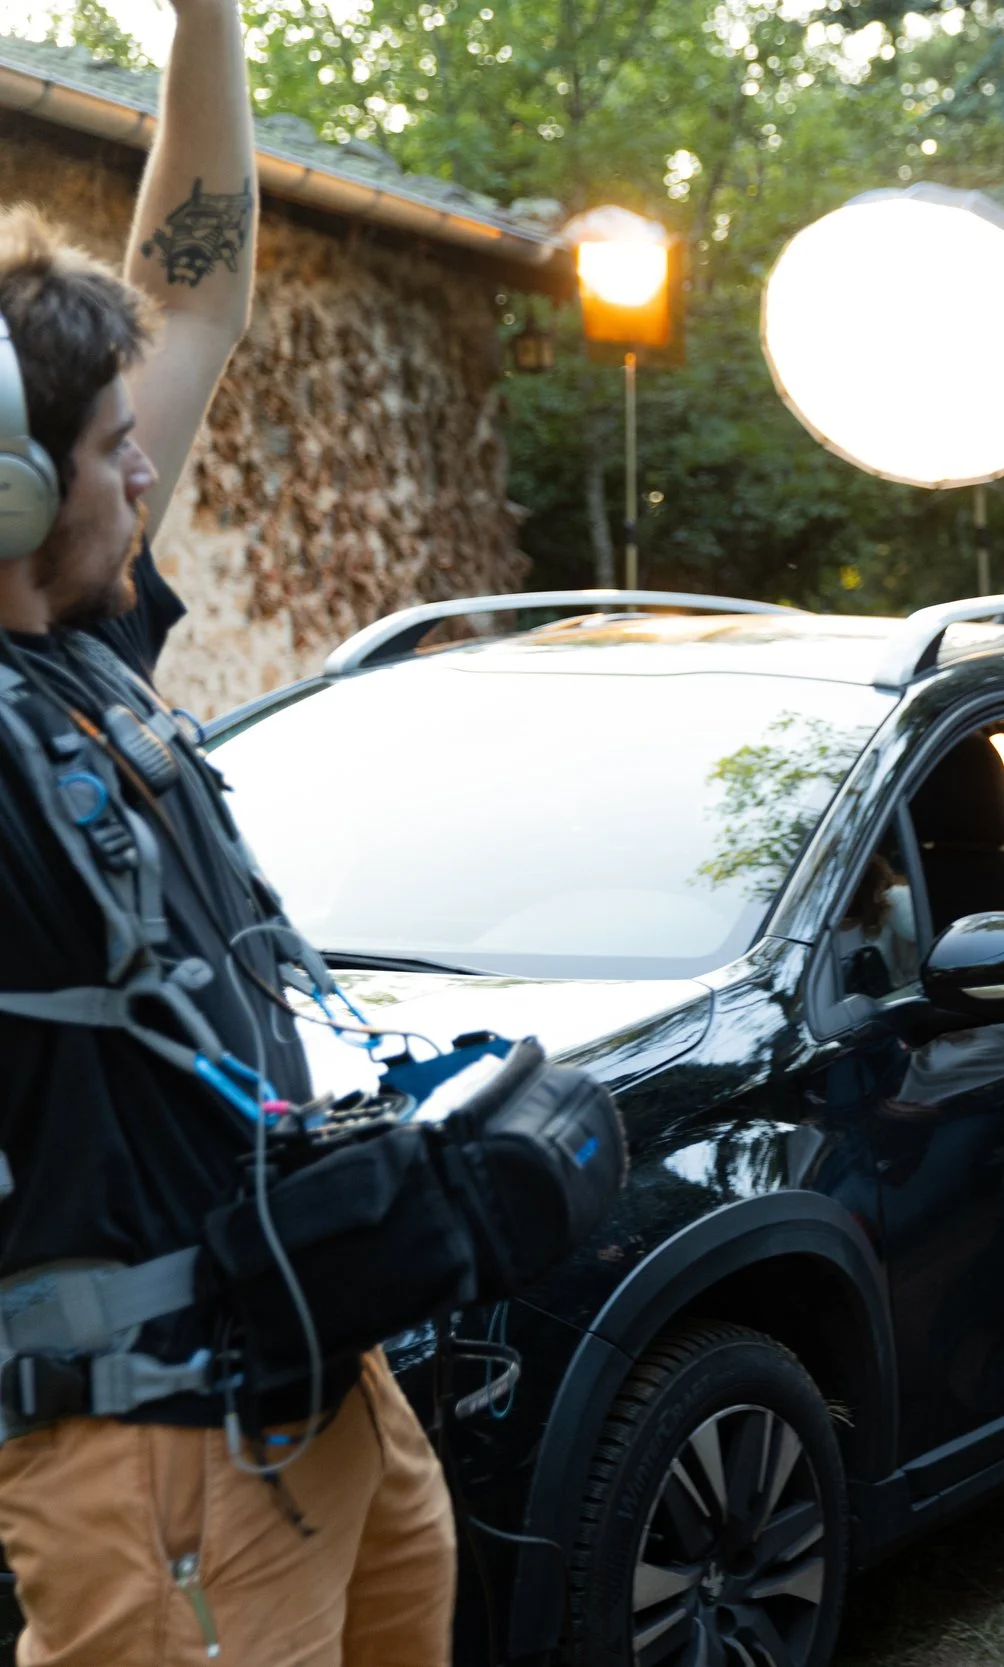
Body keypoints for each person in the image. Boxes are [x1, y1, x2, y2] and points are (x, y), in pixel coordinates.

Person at [0, 5, 456, 1661]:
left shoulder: (86, 648)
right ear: (15, 497)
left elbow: (191, 289)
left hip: (317, 1373)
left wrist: (204, 11)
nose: (149, 472)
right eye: (116, 452)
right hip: (152, 1458)